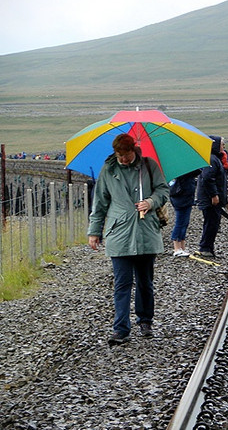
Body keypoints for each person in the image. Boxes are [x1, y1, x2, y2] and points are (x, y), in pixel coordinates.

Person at [87, 134, 169, 346]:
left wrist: (150, 202)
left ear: (134, 149)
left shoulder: (149, 166)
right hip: (119, 234)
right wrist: (94, 231)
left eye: (126, 154)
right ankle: (121, 329)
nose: (123, 159)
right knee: (122, 283)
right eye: (119, 155)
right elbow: (100, 203)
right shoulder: (108, 170)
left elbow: (163, 190)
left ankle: (145, 321)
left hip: (146, 233)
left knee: (145, 282)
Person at [196, 136, 228, 258]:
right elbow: (208, 178)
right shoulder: (212, 159)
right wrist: (214, 195)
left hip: (210, 199)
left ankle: (208, 247)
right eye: (222, 144)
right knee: (211, 223)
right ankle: (205, 247)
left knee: (212, 223)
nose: (223, 146)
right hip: (210, 200)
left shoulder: (213, 158)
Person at [169, 170, 199, 257]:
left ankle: (182, 247)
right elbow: (197, 172)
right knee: (180, 222)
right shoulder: (183, 170)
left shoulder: (178, 170)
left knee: (184, 223)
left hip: (183, 197)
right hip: (182, 198)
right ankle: (177, 248)